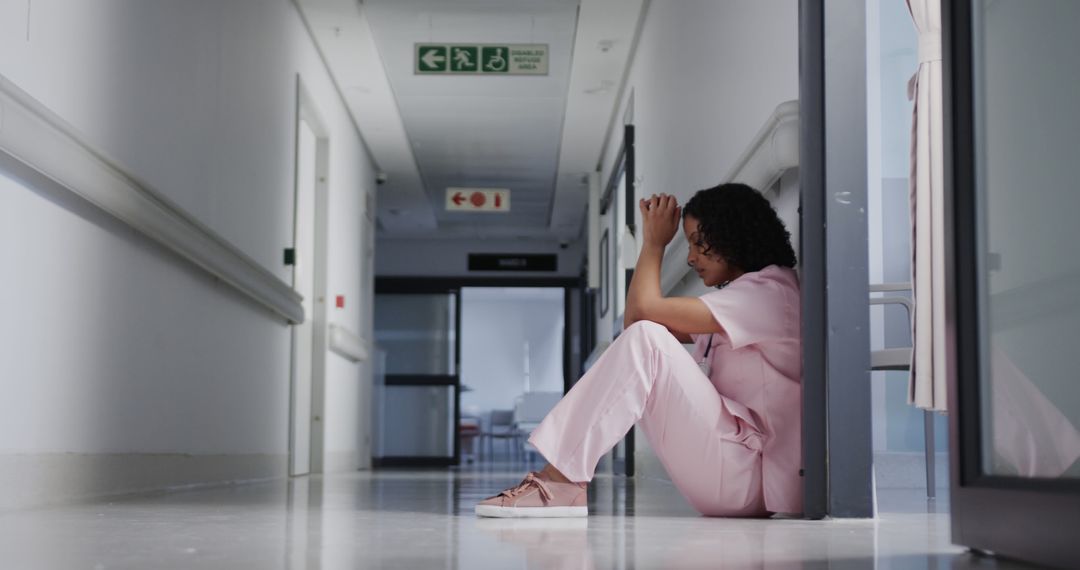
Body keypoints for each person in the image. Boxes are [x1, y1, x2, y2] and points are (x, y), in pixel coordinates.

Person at [475, 183, 802, 518]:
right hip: (738, 474)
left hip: (752, 478)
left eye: (697, 242)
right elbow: (635, 323)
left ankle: (559, 482)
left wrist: (654, 243)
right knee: (646, 337)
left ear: (732, 235)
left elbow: (642, 321)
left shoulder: (770, 294)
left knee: (648, 337)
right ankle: (560, 480)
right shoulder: (744, 298)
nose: (691, 257)